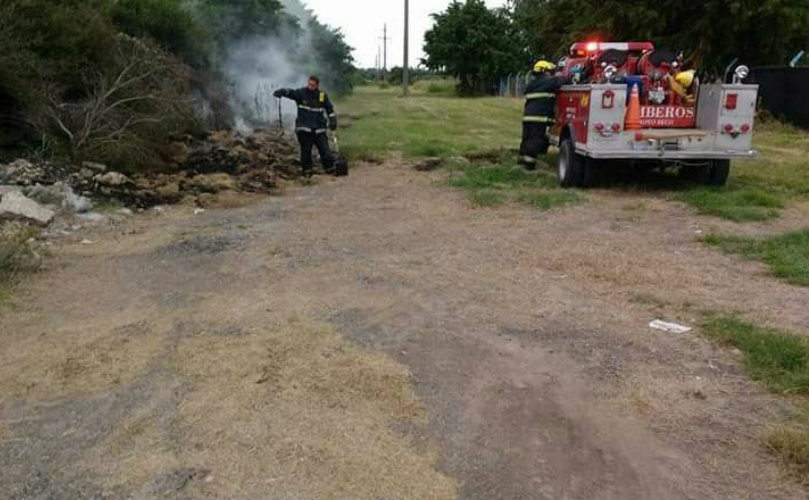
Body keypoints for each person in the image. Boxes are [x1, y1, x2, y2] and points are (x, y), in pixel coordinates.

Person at [274, 76, 338, 178]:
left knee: (325, 150)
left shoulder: (322, 95)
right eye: (309, 84)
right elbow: (291, 93)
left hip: (319, 127)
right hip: (304, 128)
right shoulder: (301, 93)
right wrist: (282, 91)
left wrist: (333, 120)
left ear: (317, 85)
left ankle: (329, 170)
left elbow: (329, 108)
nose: (310, 86)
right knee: (306, 151)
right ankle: (307, 173)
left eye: (313, 85)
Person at [519, 60, 566, 169]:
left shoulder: (532, 84)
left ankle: (522, 161)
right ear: (545, 71)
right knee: (535, 141)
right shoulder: (548, 82)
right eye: (551, 71)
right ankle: (529, 166)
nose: (552, 73)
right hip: (538, 118)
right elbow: (562, 80)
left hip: (528, 118)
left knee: (526, 140)